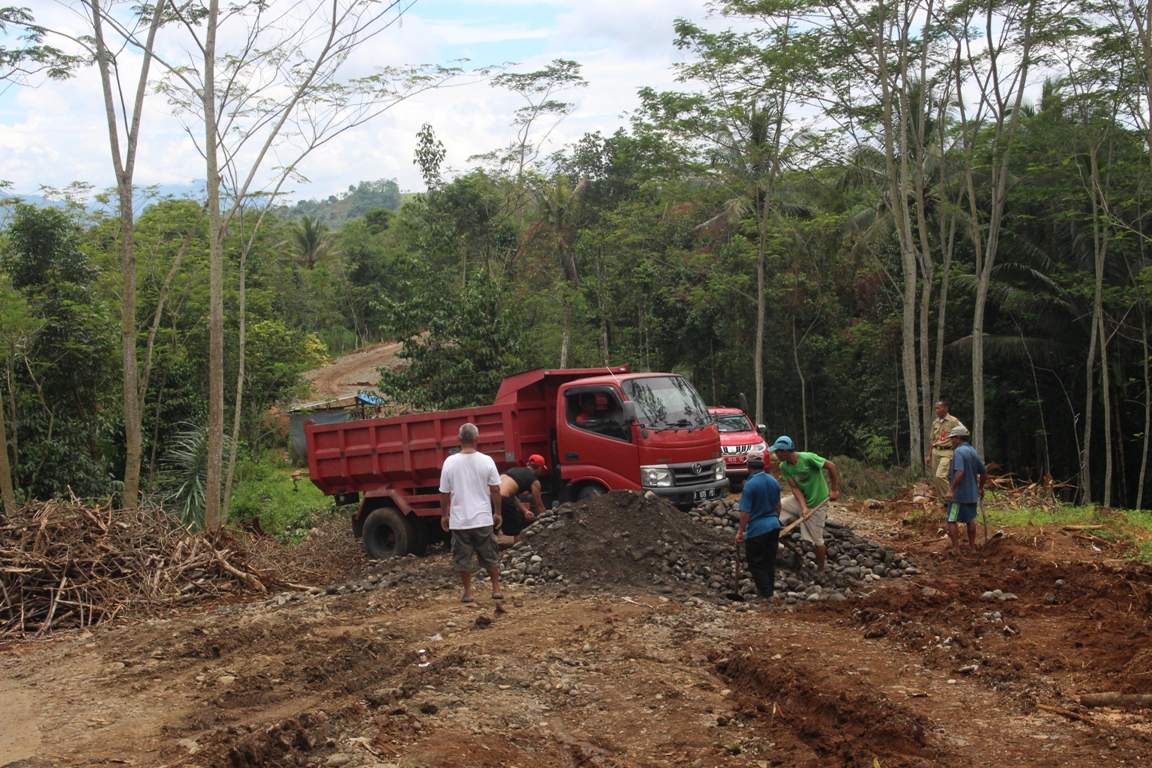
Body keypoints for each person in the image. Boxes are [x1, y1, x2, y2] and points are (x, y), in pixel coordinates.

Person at [439, 423, 504, 602]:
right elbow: (496, 490)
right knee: (490, 554)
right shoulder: (487, 461)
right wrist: (497, 513)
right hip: (483, 518)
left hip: (460, 521)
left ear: (459, 439)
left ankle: (468, 592)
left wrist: (445, 515)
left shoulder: (449, 462)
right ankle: (496, 589)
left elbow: (444, 493)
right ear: (477, 439)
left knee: (462, 557)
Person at [770, 436, 840, 573]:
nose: (775, 455)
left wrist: (835, 489)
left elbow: (831, 466)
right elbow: (795, 488)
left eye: (777, 452)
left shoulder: (807, 458)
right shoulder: (784, 466)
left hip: (818, 502)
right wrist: (803, 507)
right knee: (776, 508)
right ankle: (772, 534)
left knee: (817, 539)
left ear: (784, 452)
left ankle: (820, 569)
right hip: (802, 501)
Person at [734, 450, 782, 599]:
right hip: (774, 526)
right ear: (762, 465)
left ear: (748, 465)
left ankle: (767, 594)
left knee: (755, 562)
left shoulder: (750, 485)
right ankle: (768, 590)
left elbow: (745, 513)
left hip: (758, 529)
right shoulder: (773, 480)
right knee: (769, 560)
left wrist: (740, 532)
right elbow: (778, 505)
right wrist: (775, 519)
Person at [943, 423, 988, 555]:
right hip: (972, 494)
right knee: (970, 519)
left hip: (960, 495)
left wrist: (951, 490)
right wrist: (980, 488)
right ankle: (972, 547)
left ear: (958, 438)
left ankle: (956, 548)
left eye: (952, 439)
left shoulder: (958, 452)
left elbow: (959, 473)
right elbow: (984, 472)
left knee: (951, 519)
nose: (951, 441)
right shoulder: (972, 451)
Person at [497, 454, 548, 542]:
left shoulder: (513, 470)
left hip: (488, 497)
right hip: (502, 499)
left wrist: (525, 511)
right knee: (518, 529)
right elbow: (539, 506)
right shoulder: (534, 480)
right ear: (540, 468)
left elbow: (511, 495)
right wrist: (546, 522)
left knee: (493, 527)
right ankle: (518, 554)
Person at [925, 399, 962, 511]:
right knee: (935, 478)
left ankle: (952, 497)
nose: (937, 410)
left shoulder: (953, 421)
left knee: (940, 475)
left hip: (947, 451)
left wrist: (956, 446)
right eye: (936, 408)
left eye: (939, 408)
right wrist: (929, 455)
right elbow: (932, 439)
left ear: (946, 408)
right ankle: (943, 503)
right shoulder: (935, 422)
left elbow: (964, 432)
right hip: (936, 450)